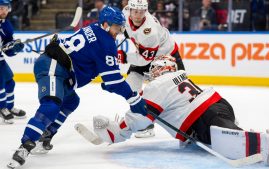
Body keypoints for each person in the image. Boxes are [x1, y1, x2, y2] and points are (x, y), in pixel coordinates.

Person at [76, 55, 269, 168]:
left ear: (158, 71)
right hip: (219, 105)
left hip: (203, 117)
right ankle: (265, 144)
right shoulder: (181, 76)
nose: (152, 74)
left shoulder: (156, 86)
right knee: (226, 133)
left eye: (154, 70)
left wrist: (113, 132)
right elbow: (179, 106)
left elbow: (139, 119)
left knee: (233, 141)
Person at [7, 6, 147, 169]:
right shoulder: (107, 43)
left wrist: (107, 80)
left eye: (121, 27)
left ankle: (46, 135)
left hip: (61, 70)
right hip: (53, 67)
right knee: (51, 104)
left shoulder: (95, 27)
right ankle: (24, 147)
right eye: (117, 27)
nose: (119, 31)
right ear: (106, 25)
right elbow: (114, 80)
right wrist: (133, 97)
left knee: (71, 101)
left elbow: (96, 64)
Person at [117, 0, 185, 138]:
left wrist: (123, 57)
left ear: (146, 11)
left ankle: (194, 119)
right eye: (135, 11)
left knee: (180, 93)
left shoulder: (149, 31)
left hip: (166, 57)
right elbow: (121, 28)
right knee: (131, 87)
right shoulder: (124, 13)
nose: (138, 15)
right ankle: (146, 124)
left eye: (142, 12)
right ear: (129, 9)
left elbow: (144, 60)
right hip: (146, 55)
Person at [0, 0, 26, 124]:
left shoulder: (6, 25)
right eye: (0, 8)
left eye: (5, 8)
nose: (3, 11)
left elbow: (7, 50)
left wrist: (14, 48)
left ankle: (9, 107)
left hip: (0, 60)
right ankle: (2, 108)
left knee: (10, 82)